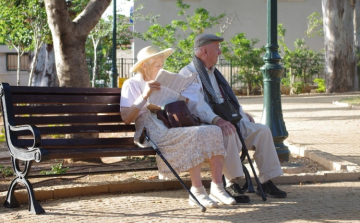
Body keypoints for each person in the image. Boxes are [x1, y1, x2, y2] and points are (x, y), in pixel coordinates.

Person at [120, 46, 236, 208]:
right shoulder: (131, 84)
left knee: (214, 130)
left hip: (170, 122)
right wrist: (144, 95)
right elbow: (126, 117)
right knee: (194, 134)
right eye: (157, 65)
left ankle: (217, 188)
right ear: (144, 66)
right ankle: (197, 191)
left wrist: (182, 97)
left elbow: (175, 104)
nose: (161, 68)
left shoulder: (162, 81)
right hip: (150, 130)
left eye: (162, 64)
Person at [179, 34, 287, 203]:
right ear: (204, 51)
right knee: (228, 132)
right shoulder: (188, 73)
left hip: (229, 120)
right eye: (217, 48)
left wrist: (242, 115)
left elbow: (227, 100)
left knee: (262, 130)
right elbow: (196, 106)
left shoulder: (214, 73)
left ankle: (266, 181)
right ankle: (232, 182)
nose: (220, 52)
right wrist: (217, 120)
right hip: (209, 125)